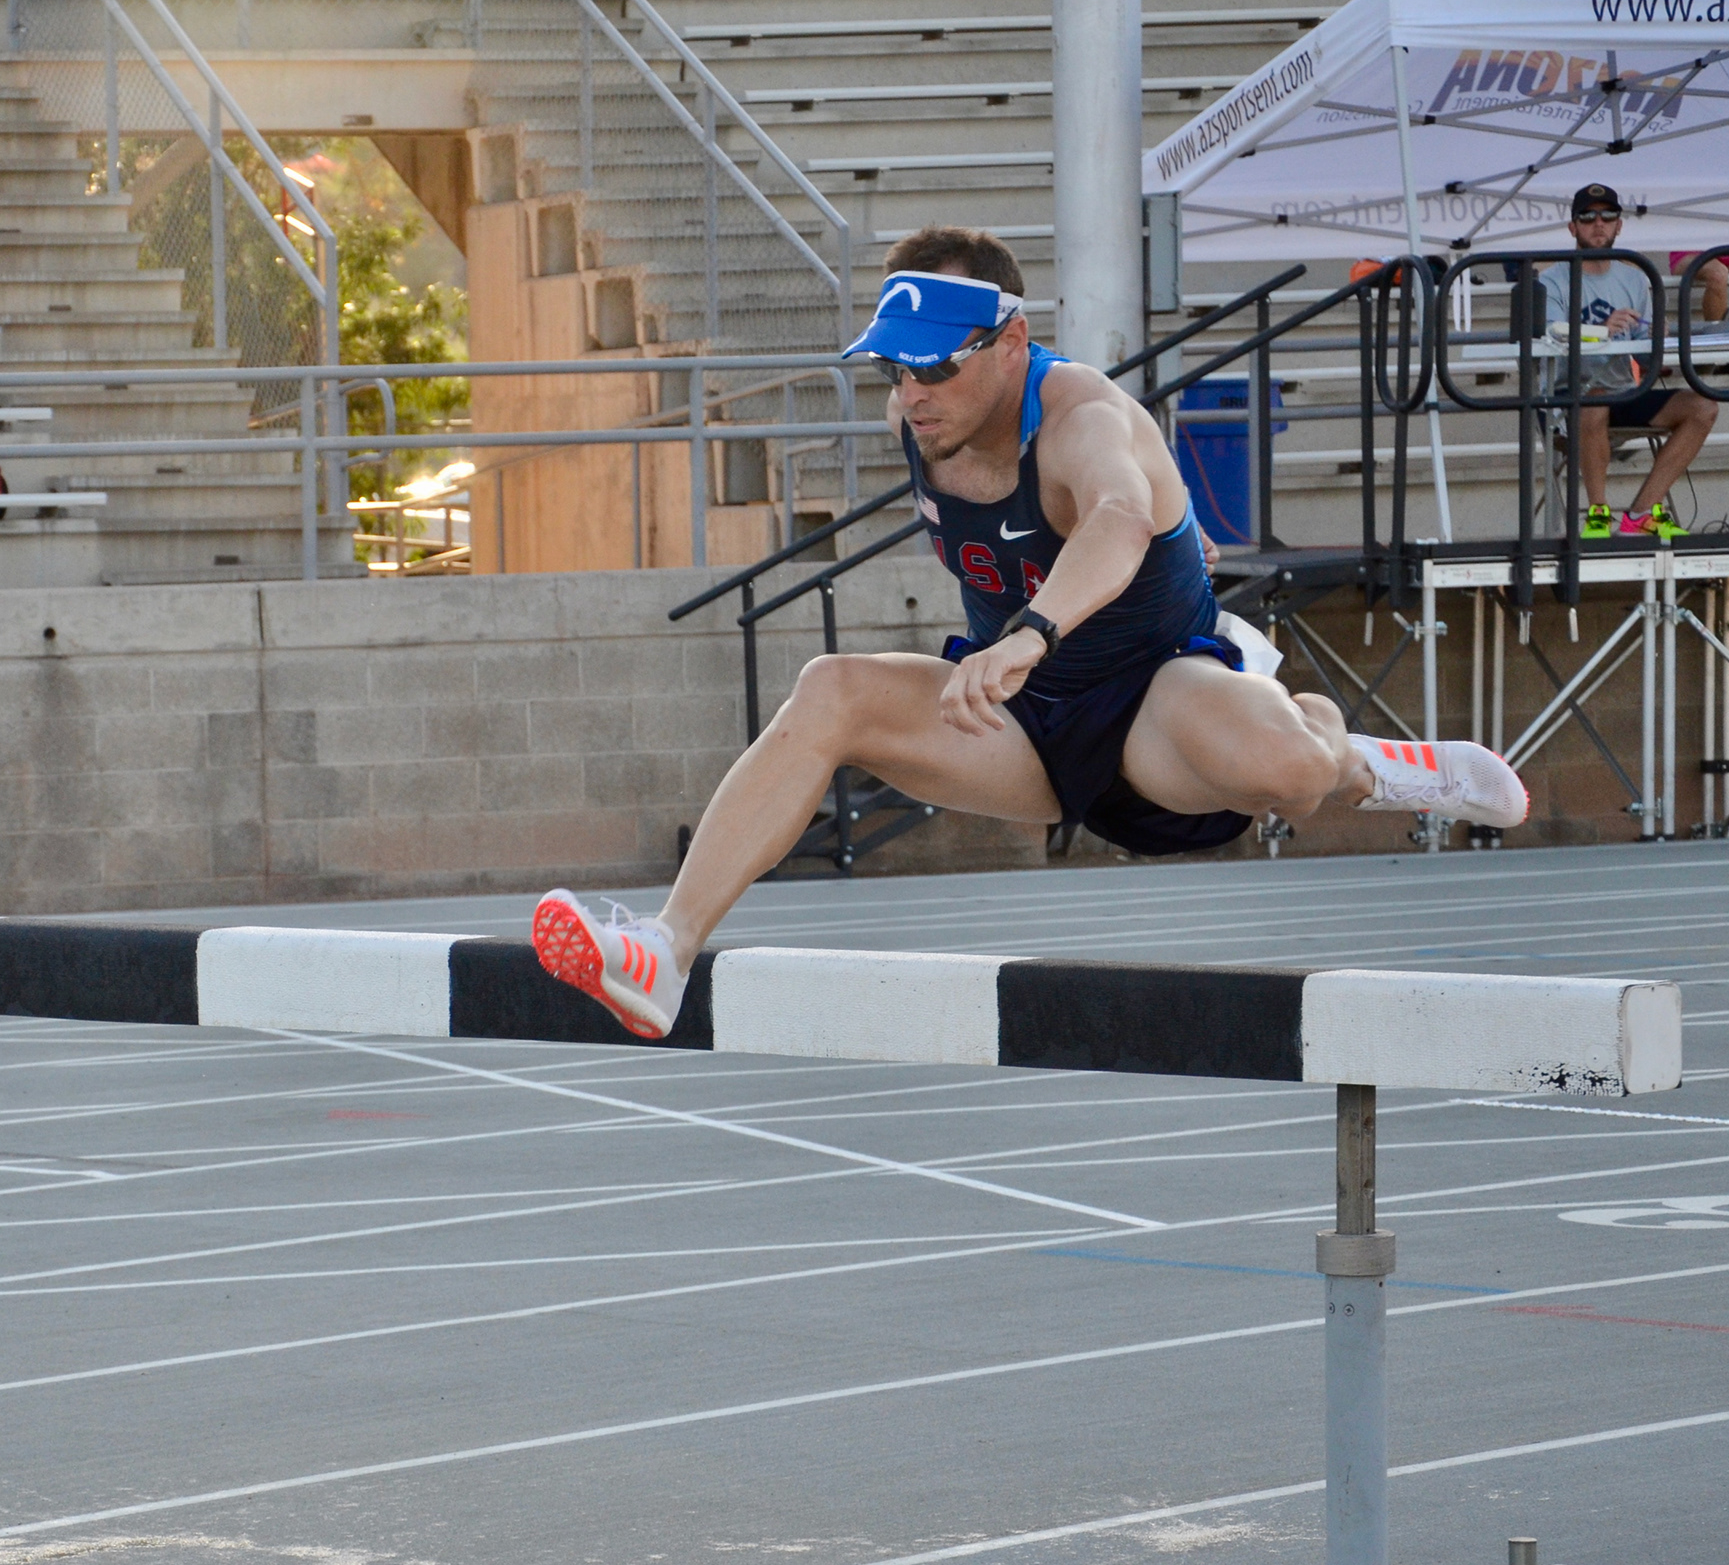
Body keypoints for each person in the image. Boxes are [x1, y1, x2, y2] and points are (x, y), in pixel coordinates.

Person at [530, 225, 1528, 1039]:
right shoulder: (918, 423)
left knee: (1287, 769)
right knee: (832, 687)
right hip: (1023, 726)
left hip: (1154, 702)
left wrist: (1032, 632)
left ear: (1010, 343)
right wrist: (1017, 659)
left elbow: (1116, 518)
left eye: (932, 368)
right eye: (893, 369)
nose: (911, 394)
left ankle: (1354, 751)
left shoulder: (1085, 414)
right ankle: (664, 950)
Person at [1541, 183, 1717, 540]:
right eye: (1588, 217)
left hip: (1624, 390)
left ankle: (1639, 514)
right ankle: (1598, 514)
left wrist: (1656, 340)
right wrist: (1603, 331)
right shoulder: (1551, 279)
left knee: (1704, 406)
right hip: (1569, 399)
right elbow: (1552, 337)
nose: (1598, 223)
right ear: (1572, 227)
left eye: (1608, 215)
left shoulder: (1636, 276)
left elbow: (1642, 354)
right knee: (1594, 401)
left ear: (1619, 225)